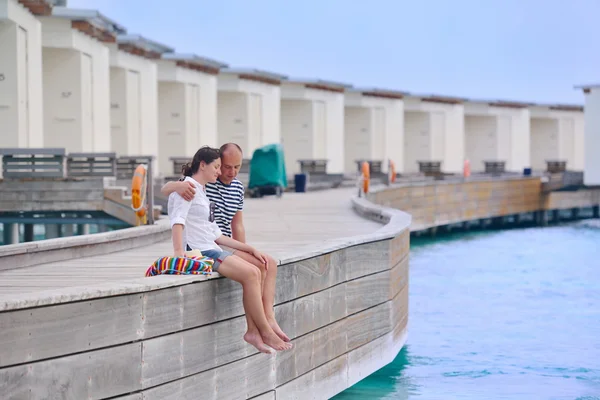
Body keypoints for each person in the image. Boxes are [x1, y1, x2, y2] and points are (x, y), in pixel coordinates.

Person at [161, 143, 290, 343]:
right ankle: (261, 330)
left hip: (214, 242)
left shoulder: (214, 189)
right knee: (252, 273)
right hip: (203, 248)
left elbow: (227, 229)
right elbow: (176, 212)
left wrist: (250, 250)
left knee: (264, 265)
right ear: (205, 165)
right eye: (221, 167)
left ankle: (264, 323)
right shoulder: (196, 186)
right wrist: (179, 255)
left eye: (235, 167)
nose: (226, 172)